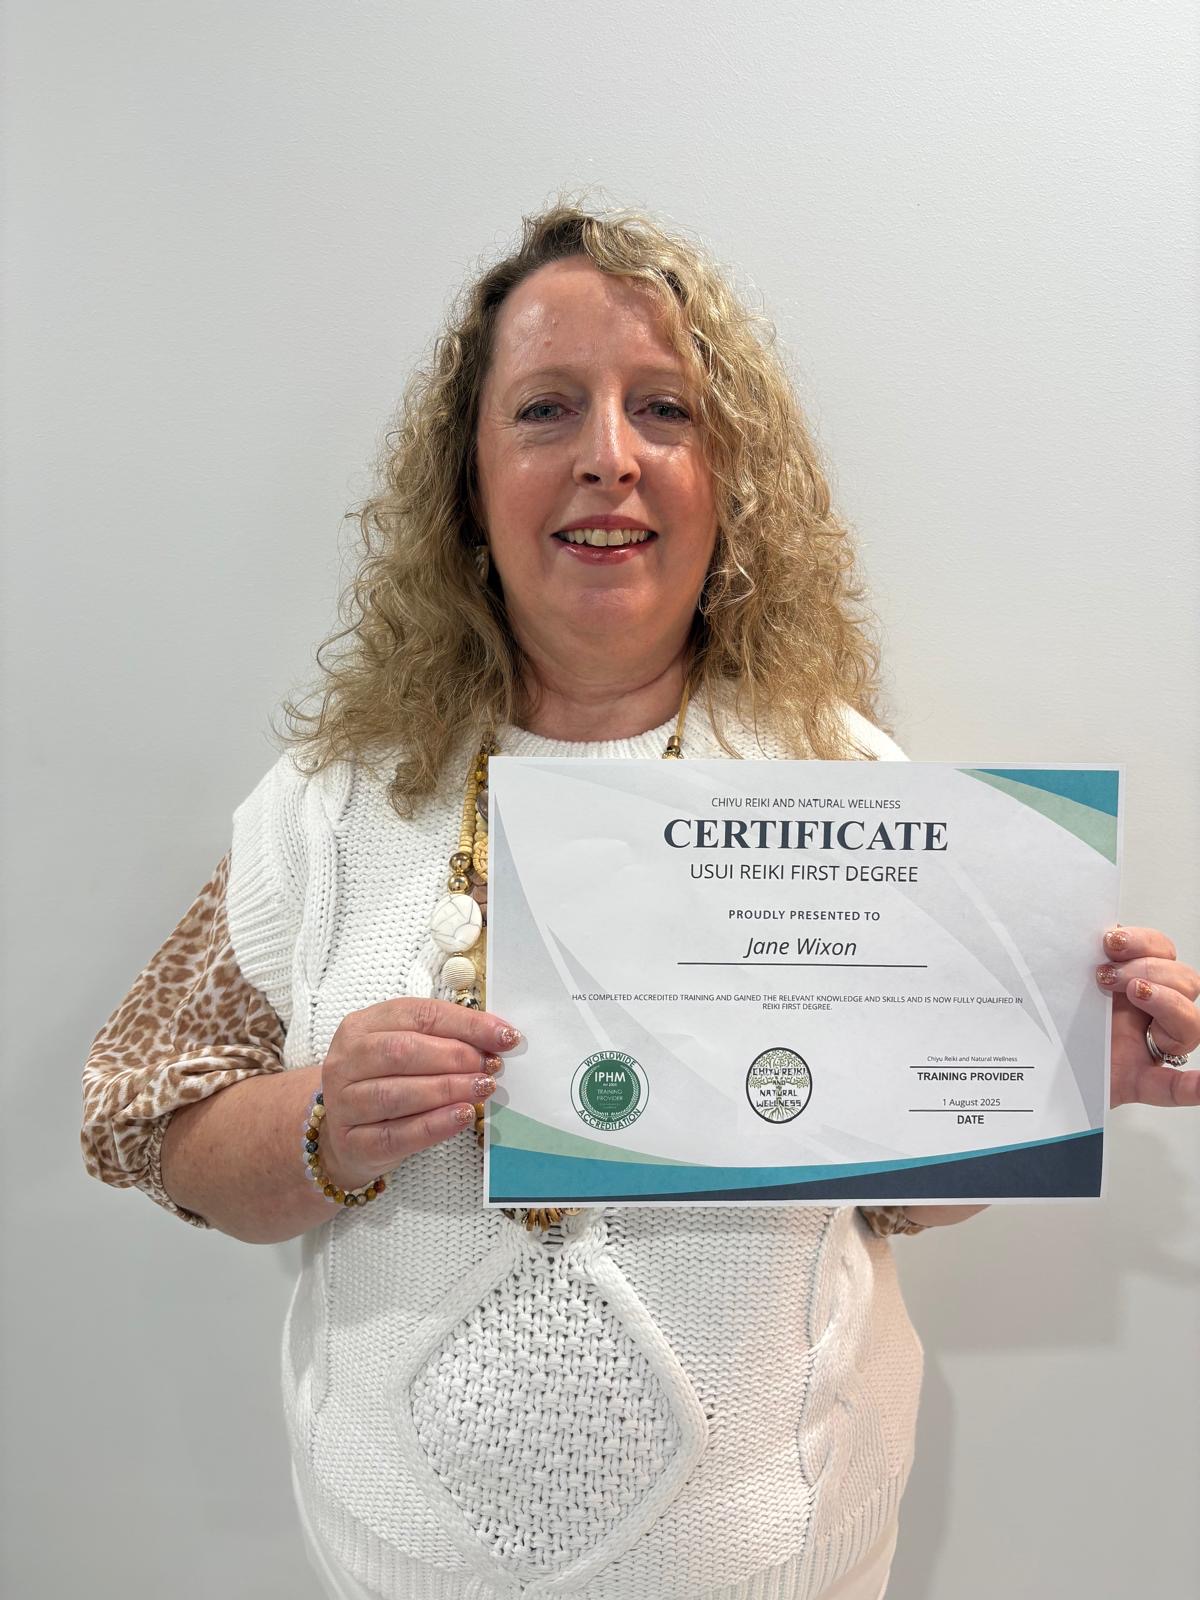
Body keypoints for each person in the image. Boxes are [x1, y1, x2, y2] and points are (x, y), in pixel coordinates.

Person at [81, 202, 1200, 1600]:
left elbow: (906, 1198)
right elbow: (145, 1114)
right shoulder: (332, 803)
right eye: (546, 408)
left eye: (663, 409)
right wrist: (323, 1122)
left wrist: (1045, 1081)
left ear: (727, 479)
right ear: (469, 481)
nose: (608, 454)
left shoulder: (849, 789)